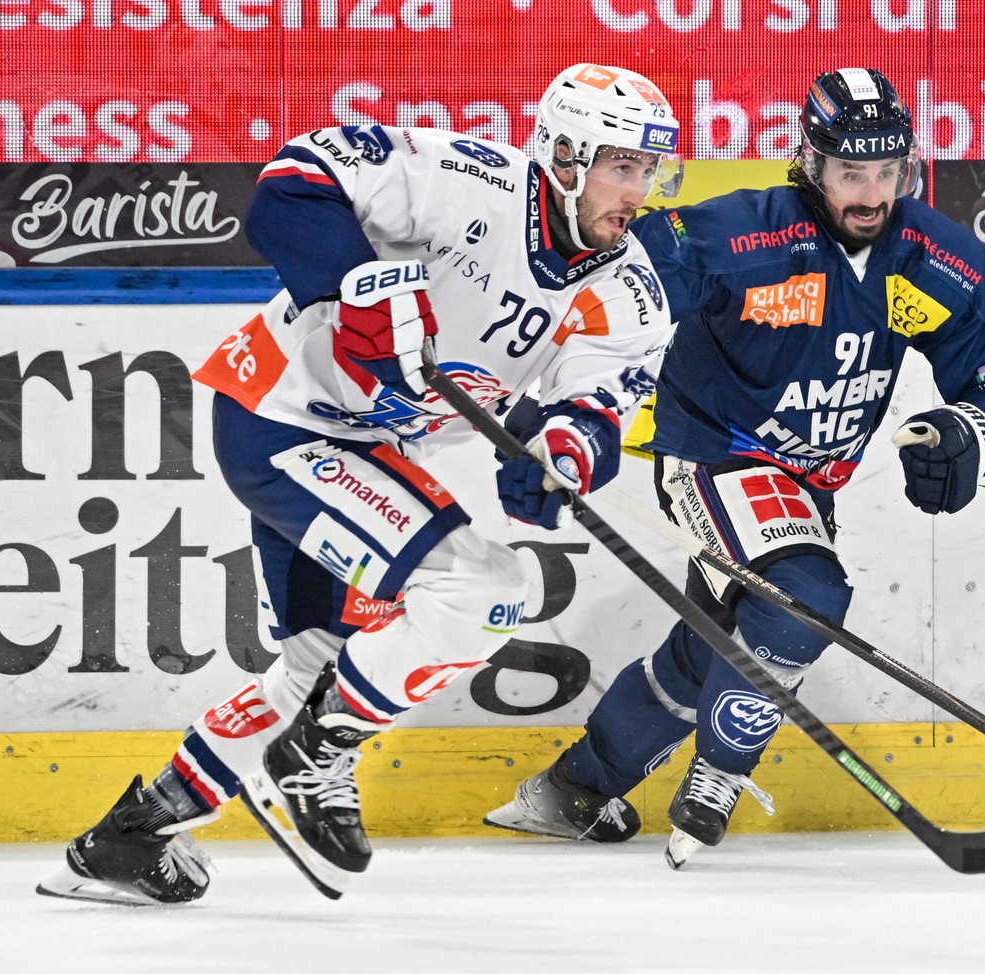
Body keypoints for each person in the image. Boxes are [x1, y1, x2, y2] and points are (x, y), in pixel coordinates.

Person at [35, 63, 683, 905]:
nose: (637, 190)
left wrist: (560, 453)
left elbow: (593, 409)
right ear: (563, 155)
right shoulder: (464, 180)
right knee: (487, 588)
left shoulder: (628, 295)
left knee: (317, 667)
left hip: (365, 451)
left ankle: (124, 839)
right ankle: (320, 748)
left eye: (649, 169)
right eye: (620, 165)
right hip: (278, 415)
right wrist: (357, 293)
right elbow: (290, 187)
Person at [485, 67, 985, 866]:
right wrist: (540, 388)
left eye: (886, 172)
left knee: (709, 650)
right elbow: (613, 280)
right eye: (851, 172)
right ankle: (718, 776)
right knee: (807, 593)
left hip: (809, 485)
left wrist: (971, 431)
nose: (870, 192)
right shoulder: (742, 237)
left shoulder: (929, 257)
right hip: (710, 454)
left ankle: (571, 789)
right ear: (811, 165)